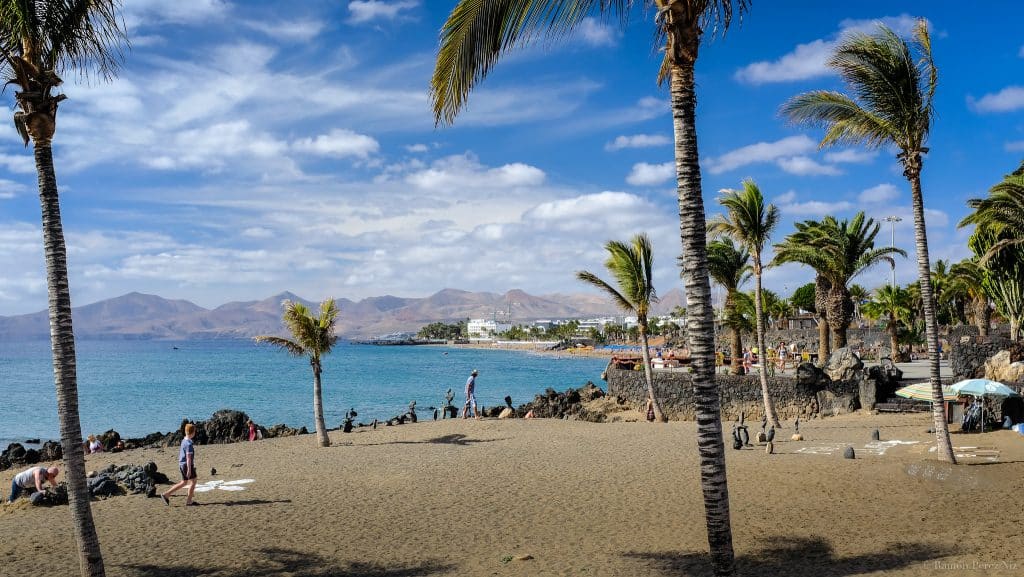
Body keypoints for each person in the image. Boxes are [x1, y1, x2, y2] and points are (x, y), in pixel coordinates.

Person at [161, 423, 198, 506]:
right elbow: (188, 458)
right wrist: (189, 469)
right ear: (193, 433)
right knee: (193, 481)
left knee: (184, 482)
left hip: (181, 464)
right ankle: (189, 501)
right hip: (186, 465)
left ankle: (166, 494)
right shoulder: (189, 444)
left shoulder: (184, 440)